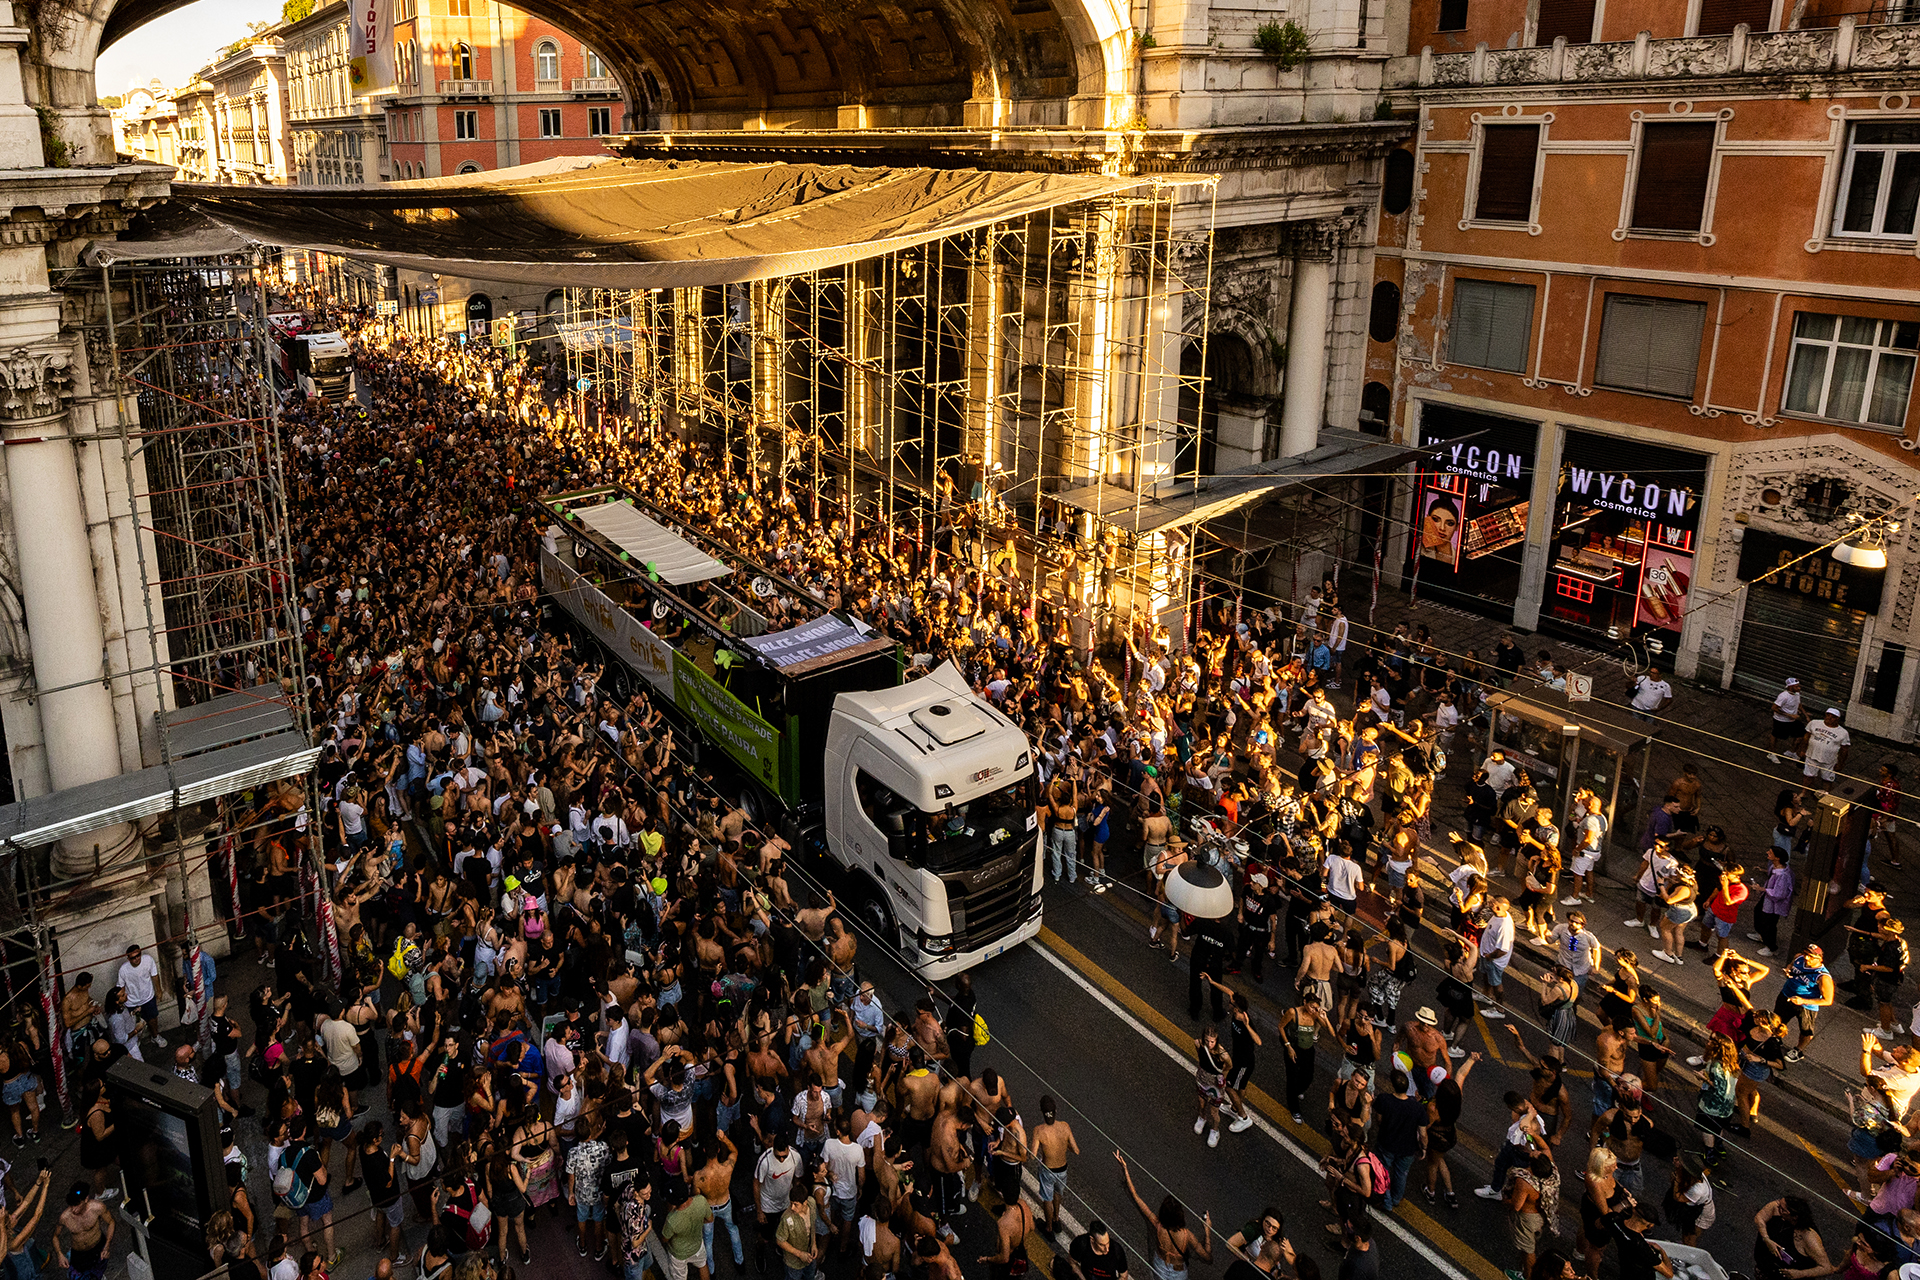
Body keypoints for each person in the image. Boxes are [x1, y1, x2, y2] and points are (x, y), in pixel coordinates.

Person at [1116, 1151, 1211, 1280]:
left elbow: (1136, 1197)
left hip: (1159, 1266)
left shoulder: (1157, 1224)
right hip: (1178, 1273)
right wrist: (1207, 1231)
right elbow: (1207, 1257)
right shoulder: (1186, 1235)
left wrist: (1125, 1169)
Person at [1775, 944, 1835, 1063]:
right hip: (1786, 995)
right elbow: (1791, 964)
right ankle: (1777, 1037)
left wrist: (1803, 1001)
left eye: (1811, 957)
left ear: (1820, 959)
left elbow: (1828, 1000)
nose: (1807, 958)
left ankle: (1799, 1050)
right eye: (1806, 954)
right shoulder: (1799, 958)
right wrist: (1788, 968)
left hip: (1806, 1006)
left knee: (1805, 1030)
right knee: (1778, 1019)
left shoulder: (1823, 977)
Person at [1031, 1095, 1080, 1240]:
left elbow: (1032, 1155)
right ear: (1056, 1110)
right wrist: (1063, 1146)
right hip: (1062, 1169)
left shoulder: (1039, 1131)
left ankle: (1048, 1228)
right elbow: (1076, 1150)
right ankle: (1056, 1219)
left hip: (1048, 1171)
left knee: (1047, 1198)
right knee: (1058, 1194)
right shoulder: (1065, 1126)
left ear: (1041, 1112)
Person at [53, 1182, 114, 1280]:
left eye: (77, 1205)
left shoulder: (98, 1208)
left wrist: (107, 1245)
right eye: (71, 1205)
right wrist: (59, 1253)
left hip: (98, 1247)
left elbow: (111, 1222)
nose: (73, 1209)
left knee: (98, 1272)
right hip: (79, 1253)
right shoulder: (65, 1217)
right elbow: (55, 1236)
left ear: (86, 1199)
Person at [1800, 707, 1852, 785]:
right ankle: (1804, 792)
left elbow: (1844, 749)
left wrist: (1841, 763)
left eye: (1833, 717)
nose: (1829, 718)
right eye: (1828, 715)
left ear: (1837, 719)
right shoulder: (1814, 723)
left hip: (1829, 761)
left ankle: (1826, 794)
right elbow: (1806, 737)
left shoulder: (1843, 733)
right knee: (1808, 776)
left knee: (1828, 780)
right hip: (1812, 756)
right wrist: (1803, 750)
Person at [1767, 677, 1807, 764]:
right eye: (1796, 686)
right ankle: (1771, 753)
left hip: (1792, 720)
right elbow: (1774, 708)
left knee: (1801, 734)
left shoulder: (1797, 694)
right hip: (1781, 721)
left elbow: (1799, 704)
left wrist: (1806, 715)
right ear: (1790, 687)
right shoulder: (1783, 696)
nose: (1799, 688)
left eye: (1799, 686)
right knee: (1776, 735)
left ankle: (1792, 752)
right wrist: (1790, 715)